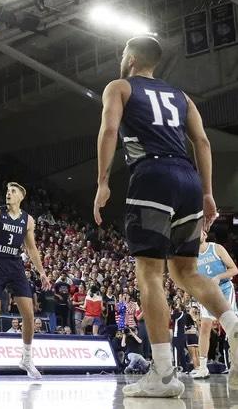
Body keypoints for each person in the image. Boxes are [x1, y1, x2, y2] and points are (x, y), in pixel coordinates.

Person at [93, 36, 238, 397]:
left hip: (152, 176)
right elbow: (202, 142)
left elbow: (109, 129)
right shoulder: (181, 96)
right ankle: (235, 327)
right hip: (188, 178)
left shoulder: (119, 86)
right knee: (185, 271)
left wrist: (102, 181)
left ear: (129, 58)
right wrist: (207, 192)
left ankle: (163, 376)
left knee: (149, 273)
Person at [0, 182, 51, 382]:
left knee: (29, 315)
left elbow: (31, 249)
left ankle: (27, 358)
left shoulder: (28, 220)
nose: (8, 194)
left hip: (15, 265)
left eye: (13, 191)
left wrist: (41, 272)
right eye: (7, 191)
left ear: (21, 196)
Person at [190, 230, 238, 379]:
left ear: (205, 235)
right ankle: (203, 368)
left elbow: (234, 269)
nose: (201, 232)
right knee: (204, 327)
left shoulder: (216, 248)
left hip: (224, 289)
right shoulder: (192, 257)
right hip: (207, 293)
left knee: (230, 327)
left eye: (202, 231)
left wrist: (218, 277)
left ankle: (235, 362)